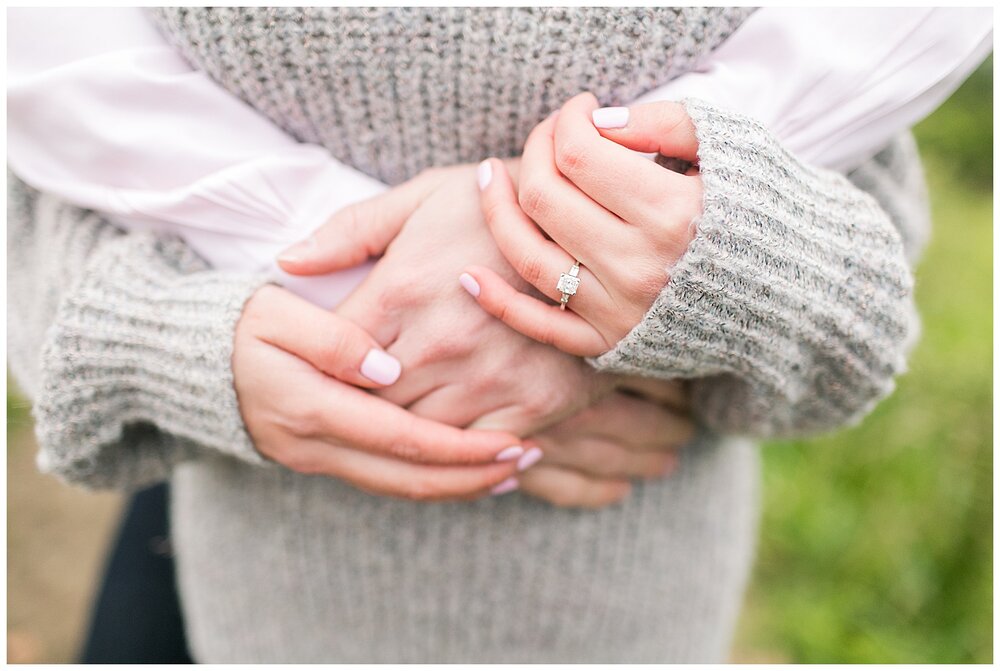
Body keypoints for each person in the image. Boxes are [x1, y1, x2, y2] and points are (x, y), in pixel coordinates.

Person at [6, 7, 991, 663]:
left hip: (624, 597)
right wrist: (181, 344)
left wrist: (715, 259)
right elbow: (41, 183)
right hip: (234, 553)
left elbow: (858, 309)